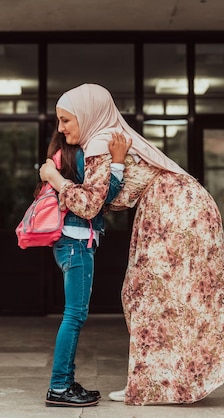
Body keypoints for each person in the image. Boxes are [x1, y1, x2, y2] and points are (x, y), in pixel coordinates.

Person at [40, 83, 224, 406]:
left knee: (148, 294)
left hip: (174, 209)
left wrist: (54, 178)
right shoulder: (108, 138)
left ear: (88, 115)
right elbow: (108, 196)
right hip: (180, 205)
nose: (61, 128)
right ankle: (157, 380)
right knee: (154, 294)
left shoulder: (99, 144)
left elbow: (89, 204)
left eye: (66, 120)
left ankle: (160, 383)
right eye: (59, 120)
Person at [43, 130, 132, 408]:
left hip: (68, 243)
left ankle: (65, 382)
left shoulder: (59, 157)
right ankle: (59, 386)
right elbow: (102, 197)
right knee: (74, 316)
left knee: (74, 315)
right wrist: (118, 162)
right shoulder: (81, 156)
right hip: (77, 243)